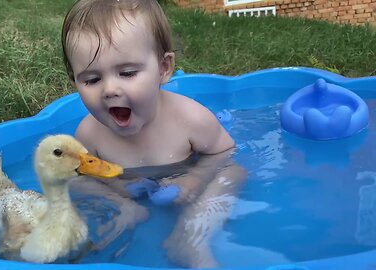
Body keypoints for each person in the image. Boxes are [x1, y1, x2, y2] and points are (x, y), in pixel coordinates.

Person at [61, 0, 247, 268]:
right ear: (74, 80)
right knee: (73, 181)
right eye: (91, 79)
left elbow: (225, 152)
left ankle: (191, 234)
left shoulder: (190, 118)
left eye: (127, 73)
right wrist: (118, 189)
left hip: (184, 175)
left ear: (163, 68)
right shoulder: (89, 133)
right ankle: (127, 212)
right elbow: (86, 175)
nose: (110, 89)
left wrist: (194, 178)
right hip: (126, 191)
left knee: (234, 173)